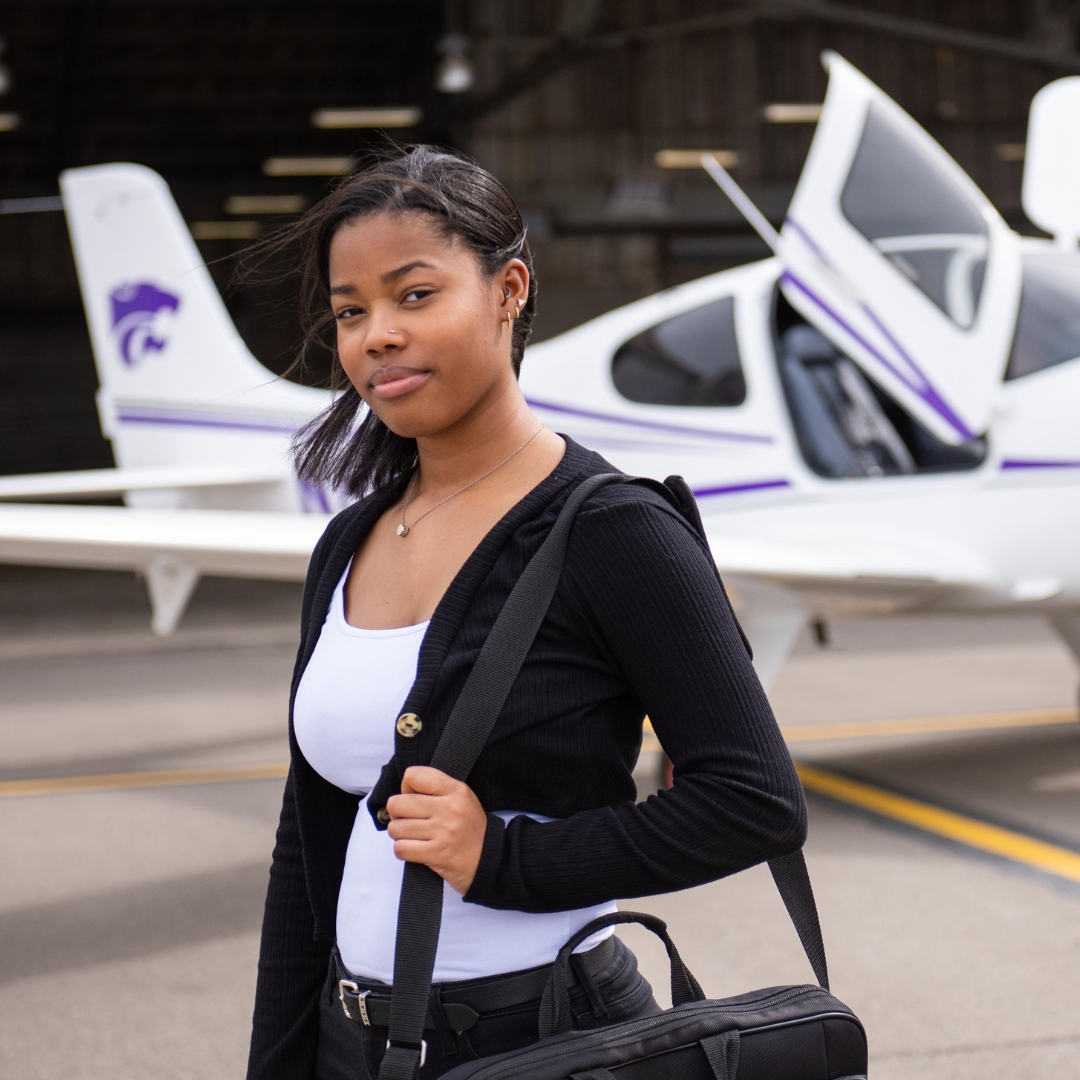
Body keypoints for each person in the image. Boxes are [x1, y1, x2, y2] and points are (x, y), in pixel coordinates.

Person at [246, 146, 807, 1080]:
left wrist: (507, 859)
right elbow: (304, 848)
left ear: (509, 290)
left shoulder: (613, 527)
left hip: (542, 1042)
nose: (376, 334)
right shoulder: (348, 541)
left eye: (414, 295)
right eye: (351, 311)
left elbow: (754, 804)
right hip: (353, 1040)